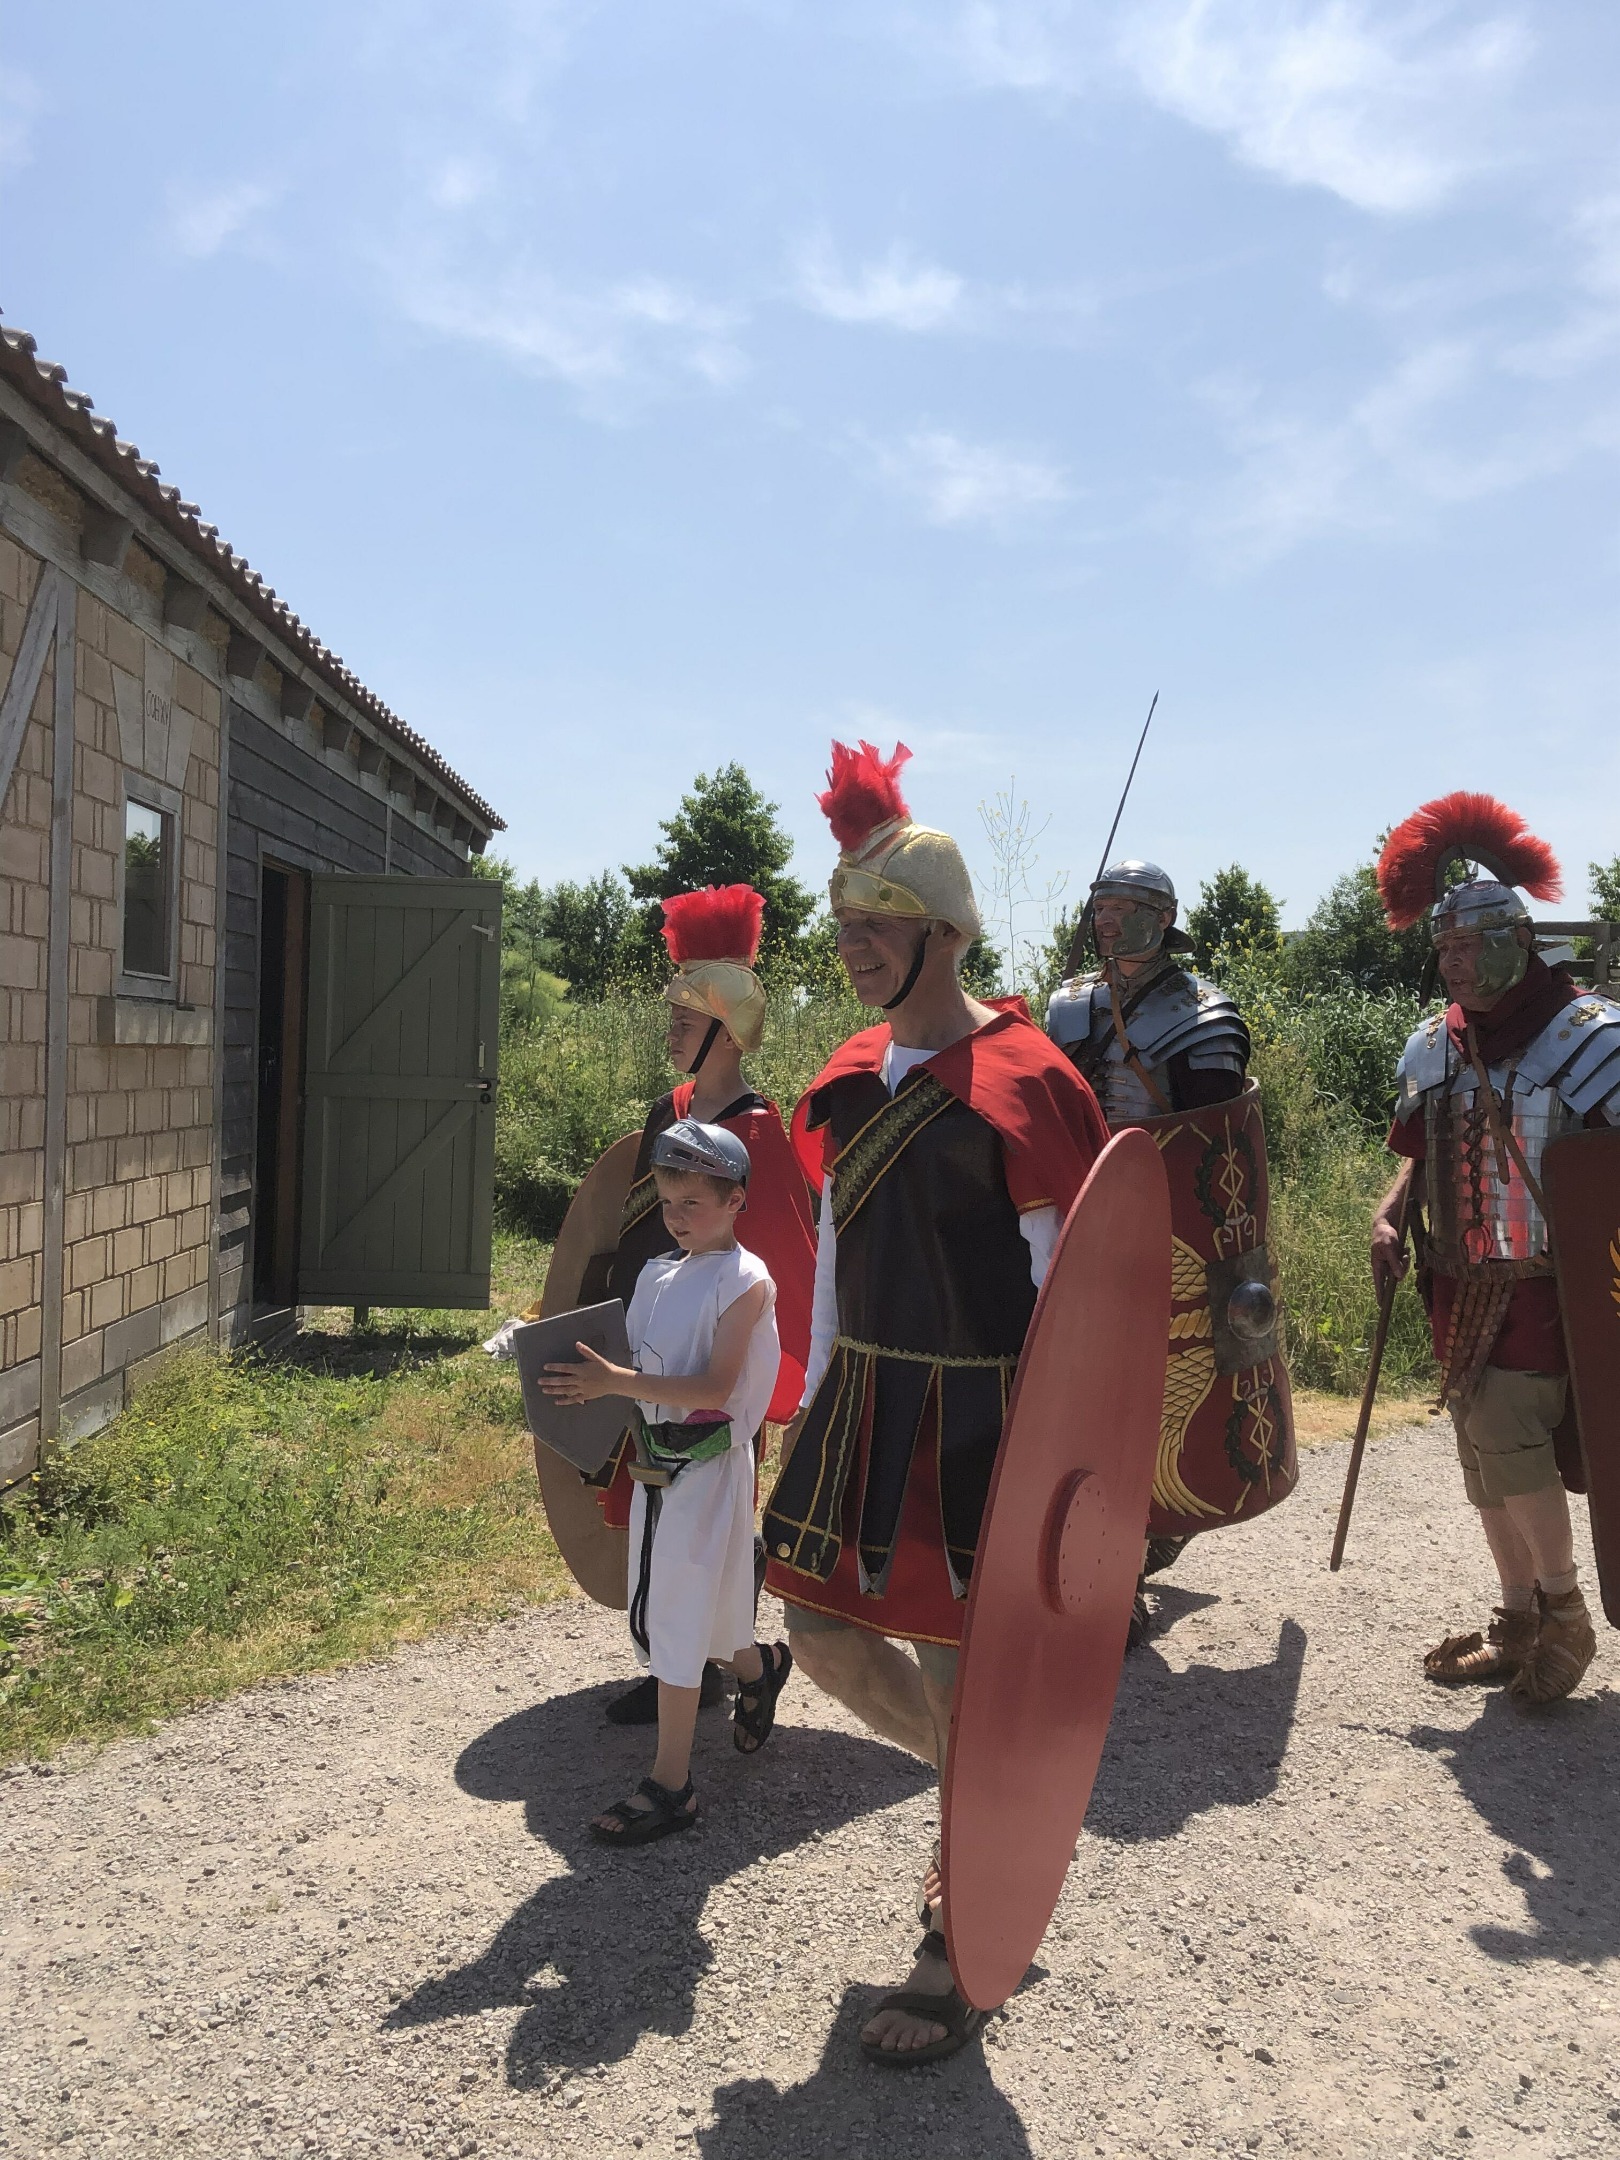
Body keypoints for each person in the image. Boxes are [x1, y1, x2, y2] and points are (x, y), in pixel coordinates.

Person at [761, 741, 1108, 2065]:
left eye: (884, 924)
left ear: (947, 934)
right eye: (848, 924)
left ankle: (960, 1940)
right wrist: (816, 1381)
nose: (856, 945)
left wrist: (1059, 1463)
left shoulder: (1027, 1084)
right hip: (865, 1400)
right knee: (821, 1631)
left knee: (966, 1671)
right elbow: (840, 1252)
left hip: (982, 1418)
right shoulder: (852, 1075)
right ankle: (982, 1808)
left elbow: (1072, 1286)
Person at [490, 884, 816, 1725]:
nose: (668, 1031)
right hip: (646, 1357)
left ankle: (725, 1664)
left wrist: (758, 1388)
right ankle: (677, 1664)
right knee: (646, 1520)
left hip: (710, 1374)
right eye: (669, 1015)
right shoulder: (662, 1115)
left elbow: (781, 1267)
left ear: (725, 1028)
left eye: (683, 1016)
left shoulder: (759, 1134)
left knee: (703, 1533)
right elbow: (635, 1245)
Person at [1372, 793, 1620, 1703]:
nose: (1454, 963)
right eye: (1443, 949)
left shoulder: (1591, 1038)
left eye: (1470, 945)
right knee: (1482, 1460)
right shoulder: (1435, 1044)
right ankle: (1515, 1619)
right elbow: (1410, 1153)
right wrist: (1389, 1215)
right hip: (1458, 1281)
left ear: (1519, 940)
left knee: (1513, 1446)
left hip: (1548, 1285)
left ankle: (1565, 1613)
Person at [540, 1118, 794, 1844]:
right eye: (667, 1201)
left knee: (680, 1618)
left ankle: (672, 1786)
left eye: (694, 1203)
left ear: (736, 1201)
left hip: (710, 1465)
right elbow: (632, 1358)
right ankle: (761, 1667)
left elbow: (715, 1384)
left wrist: (614, 1380)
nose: (677, 1218)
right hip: (657, 1460)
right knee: (702, 1609)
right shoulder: (658, 1272)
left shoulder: (746, 1281)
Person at [1047, 861, 1256, 1625]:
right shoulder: (1068, 1006)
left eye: (1124, 907)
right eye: (1099, 905)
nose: (1106, 920)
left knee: (1148, 1398)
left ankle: (1133, 1556)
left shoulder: (1205, 1015)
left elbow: (1217, 1146)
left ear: (1163, 917)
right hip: (1074, 1223)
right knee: (1077, 1395)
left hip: (1168, 1237)